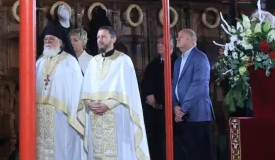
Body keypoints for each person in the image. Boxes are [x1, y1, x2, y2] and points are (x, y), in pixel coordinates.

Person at [80, 26, 149, 159]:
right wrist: (90, 104)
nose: (100, 40)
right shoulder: (93, 62)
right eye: (98, 37)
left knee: (118, 151)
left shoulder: (123, 61)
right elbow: (86, 90)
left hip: (117, 114)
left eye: (103, 37)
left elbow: (129, 91)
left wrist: (108, 104)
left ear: (113, 38)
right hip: (95, 116)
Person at [36, 25, 85, 159]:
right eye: (46, 39)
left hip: (62, 116)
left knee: (61, 149)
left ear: (61, 42)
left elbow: (77, 89)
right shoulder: (39, 62)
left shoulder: (70, 62)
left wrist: (75, 113)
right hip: (40, 115)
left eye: (52, 39)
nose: (48, 42)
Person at [172, 29, 214, 160]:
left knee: (201, 154)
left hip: (198, 114)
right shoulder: (178, 61)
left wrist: (183, 108)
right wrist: (175, 106)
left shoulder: (200, 57)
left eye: (181, 37)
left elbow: (199, 85)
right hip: (183, 115)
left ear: (189, 39)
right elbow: (174, 85)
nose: (177, 39)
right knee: (187, 153)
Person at [142, 36, 174, 160]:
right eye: (158, 43)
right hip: (153, 113)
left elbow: (173, 85)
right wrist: (150, 99)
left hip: (169, 111)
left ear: (171, 45)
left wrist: (158, 100)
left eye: (162, 43)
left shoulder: (176, 62)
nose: (159, 45)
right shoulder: (153, 64)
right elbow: (145, 84)